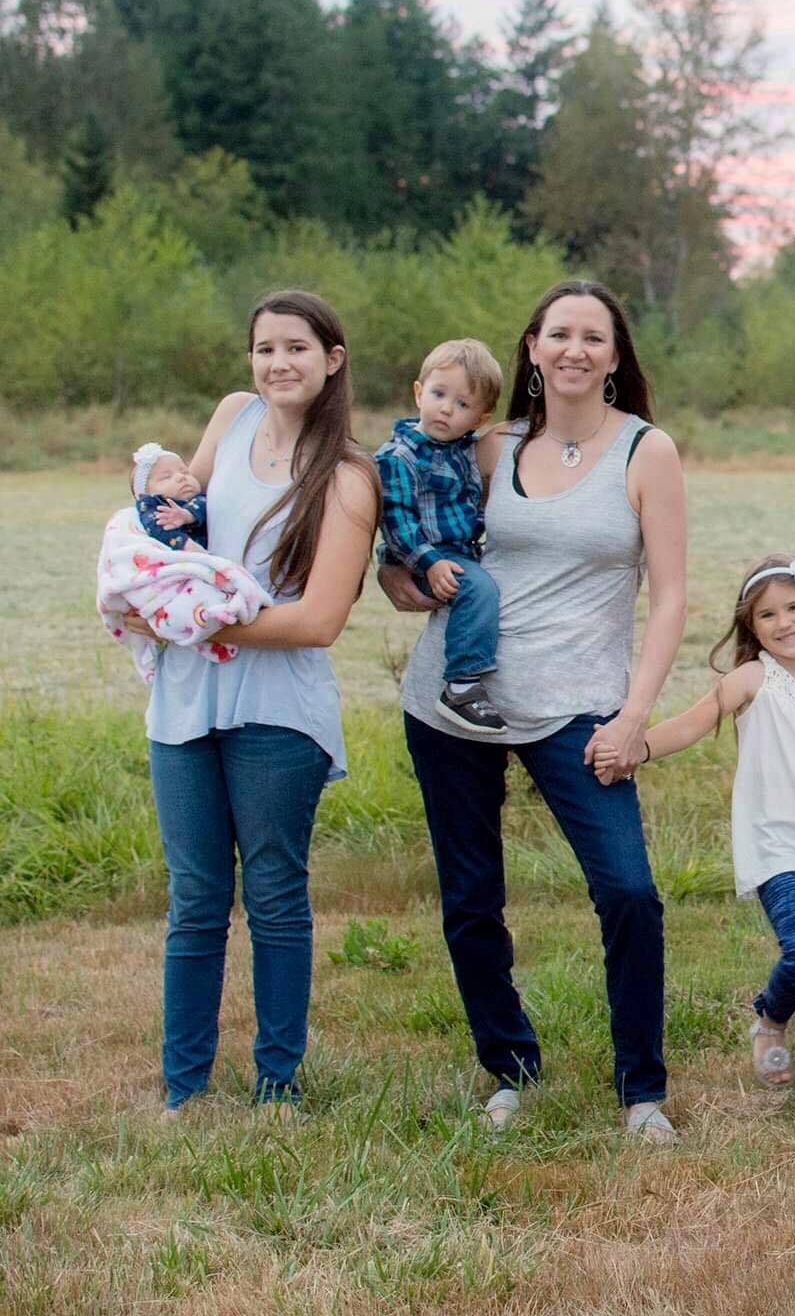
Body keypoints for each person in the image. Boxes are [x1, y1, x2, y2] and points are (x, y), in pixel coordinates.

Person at [381, 279, 687, 1144]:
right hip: (454, 702)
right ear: (532, 348)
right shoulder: (490, 445)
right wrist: (397, 575)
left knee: (629, 891)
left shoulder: (646, 451)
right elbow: (412, 524)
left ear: (615, 356)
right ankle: (509, 1067)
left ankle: (642, 1092)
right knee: (471, 899)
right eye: (559, 334)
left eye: (593, 336)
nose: (574, 349)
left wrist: (633, 717)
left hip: (578, 709)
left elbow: (670, 597)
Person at [139, 291, 379, 1115]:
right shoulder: (233, 416)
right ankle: (184, 1089)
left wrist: (196, 621)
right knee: (195, 898)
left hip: (278, 709)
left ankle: (278, 1084)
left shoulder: (347, 475)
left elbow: (319, 620)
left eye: (297, 348)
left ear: (332, 360)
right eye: (265, 348)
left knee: (274, 895)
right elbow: (179, 529)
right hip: (187, 699)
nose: (279, 363)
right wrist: (144, 580)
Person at [597, 555, 795, 1089]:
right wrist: (636, 747)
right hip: (777, 845)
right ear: (752, 626)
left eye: (794, 608)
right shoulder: (755, 677)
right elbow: (693, 724)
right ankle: (770, 1017)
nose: (784, 623)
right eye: (767, 615)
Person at [375, 338, 508, 734]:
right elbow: (397, 523)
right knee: (479, 589)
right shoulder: (399, 457)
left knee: (486, 584)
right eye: (438, 394)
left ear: (480, 418)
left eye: (462, 404)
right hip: (422, 557)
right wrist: (430, 563)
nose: (446, 409)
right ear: (419, 393)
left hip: (458, 551)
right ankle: (462, 685)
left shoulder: (465, 451)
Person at [99, 443, 273, 684]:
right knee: (183, 597)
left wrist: (187, 516)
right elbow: (158, 529)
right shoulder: (152, 506)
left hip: (201, 562)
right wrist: (192, 552)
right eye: (166, 477)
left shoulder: (197, 501)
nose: (181, 477)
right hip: (177, 563)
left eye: (184, 471)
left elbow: (202, 508)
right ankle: (198, 620)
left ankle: (219, 613)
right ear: (145, 493)